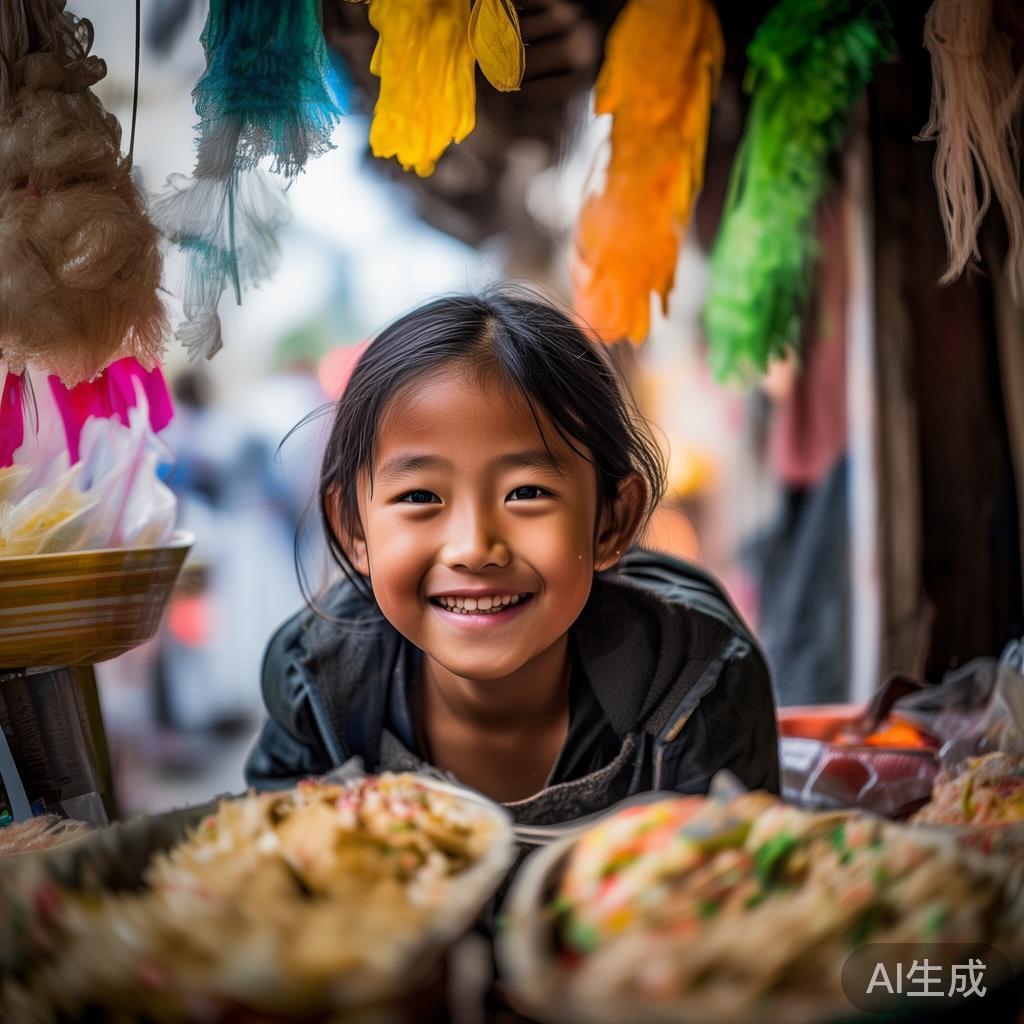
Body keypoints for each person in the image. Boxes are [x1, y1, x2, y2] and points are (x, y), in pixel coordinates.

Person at [245, 291, 779, 823]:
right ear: (354, 529)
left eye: (526, 493)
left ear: (612, 521)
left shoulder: (695, 682)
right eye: (419, 497)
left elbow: (739, 887)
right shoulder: (318, 686)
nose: (475, 548)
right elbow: (275, 876)